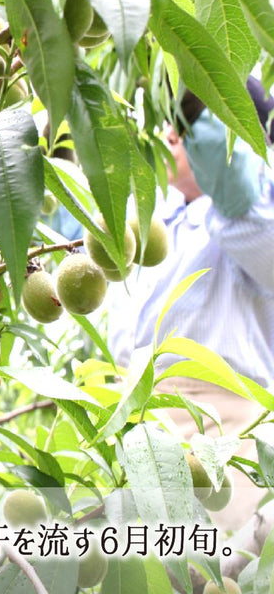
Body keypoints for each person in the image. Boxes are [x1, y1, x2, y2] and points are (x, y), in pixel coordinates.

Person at [109, 80, 274, 529]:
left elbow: (248, 212)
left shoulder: (253, 210)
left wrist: (201, 85)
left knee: (217, 574)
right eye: (170, 122)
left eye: (186, 126)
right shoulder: (156, 221)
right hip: (139, 429)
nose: (170, 133)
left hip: (222, 435)